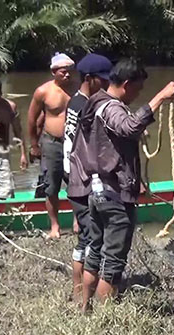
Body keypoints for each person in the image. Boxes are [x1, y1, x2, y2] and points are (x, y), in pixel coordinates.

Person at [79, 58, 174, 311]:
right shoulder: (111, 107)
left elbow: (115, 140)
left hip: (96, 189)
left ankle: (84, 307)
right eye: (138, 89)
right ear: (126, 84)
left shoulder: (95, 104)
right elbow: (128, 128)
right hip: (112, 195)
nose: (139, 95)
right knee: (113, 261)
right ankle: (105, 318)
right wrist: (160, 98)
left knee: (94, 253)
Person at [64, 53, 112, 304]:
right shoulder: (86, 106)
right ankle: (82, 294)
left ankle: (78, 291)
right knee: (90, 238)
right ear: (90, 79)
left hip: (72, 176)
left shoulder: (74, 102)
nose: (106, 85)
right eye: (103, 81)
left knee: (84, 235)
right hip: (81, 178)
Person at [27, 52, 76, 238]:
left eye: (70, 71)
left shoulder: (78, 89)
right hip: (51, 143)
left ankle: (77, 221)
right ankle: (55, 226)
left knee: (76, 183)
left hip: (74, 143)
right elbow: (32, 120)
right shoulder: (43, 92)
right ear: (54, 72)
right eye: (63, 72)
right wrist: (34, 145)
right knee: (51, 186)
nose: (68, 75)